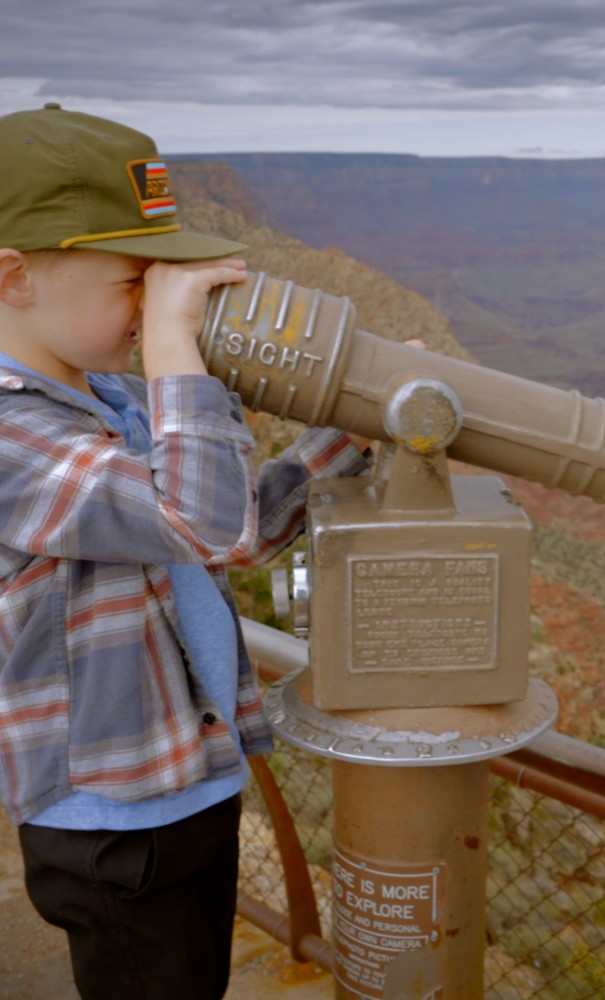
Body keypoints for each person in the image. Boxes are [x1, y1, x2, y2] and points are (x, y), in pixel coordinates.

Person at [0, 103, 370, 999]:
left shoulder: (115, 399)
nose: (158, 301)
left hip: (185, 782)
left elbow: (228, 533)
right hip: (112, 817)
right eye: (136, 279)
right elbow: (195, 519)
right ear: (15, 277)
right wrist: (176, 350)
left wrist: (348, 432)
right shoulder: (11, 435)